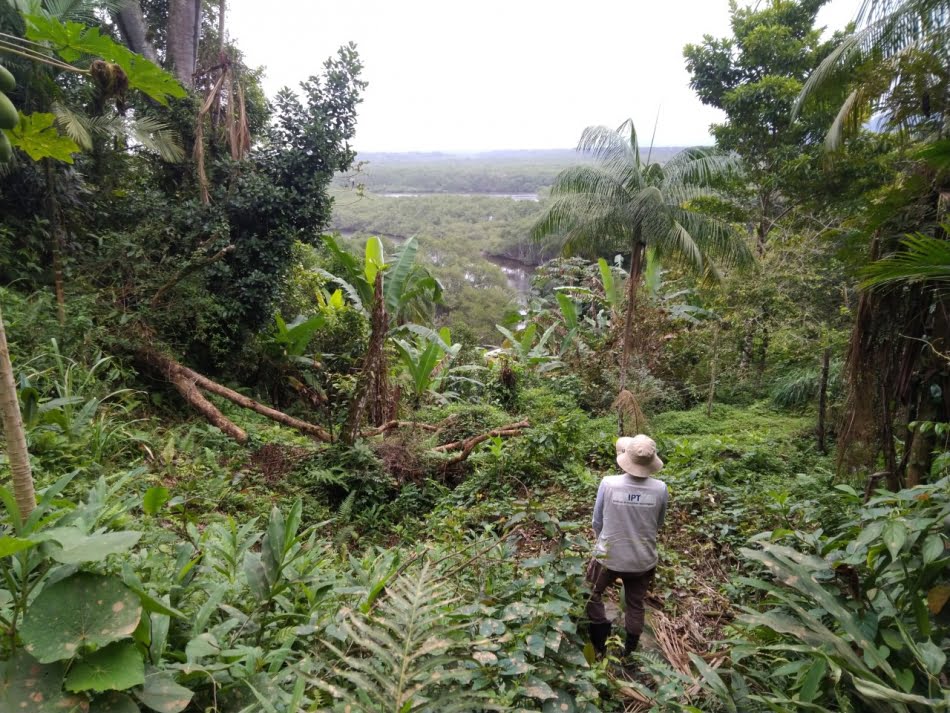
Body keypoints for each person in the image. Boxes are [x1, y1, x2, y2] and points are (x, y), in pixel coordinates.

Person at [586, 434, 668, 658]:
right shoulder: (660, 488)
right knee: (635, 603)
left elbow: (597, 521)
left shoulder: (608, 483)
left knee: (590, 593)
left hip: (609, 556)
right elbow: (658, 523)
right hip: (642, 559)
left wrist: (601, 542)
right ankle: (630, 650)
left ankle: (600, 634)